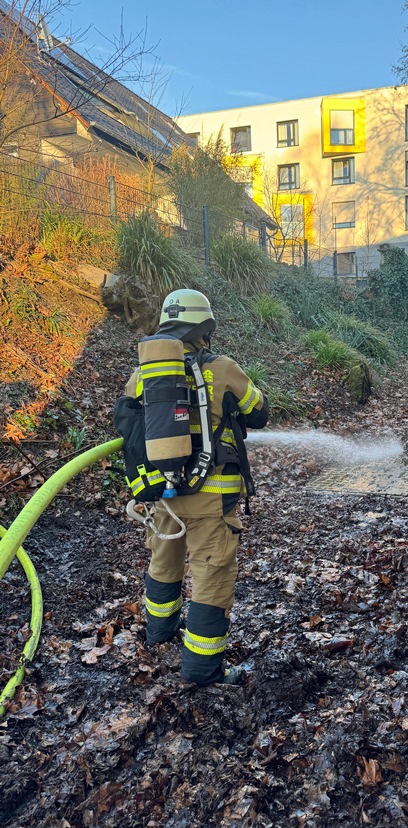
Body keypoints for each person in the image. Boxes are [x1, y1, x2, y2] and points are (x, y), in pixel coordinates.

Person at [124, 288, 268, 686]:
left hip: (163, 500)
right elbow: (259, 412)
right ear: (205, 326)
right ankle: (203, 671)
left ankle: (159, 639)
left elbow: (130, 429)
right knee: (211, 577)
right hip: (211, 500)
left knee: (163, 566)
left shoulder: (143, 373)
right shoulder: (222, 368)